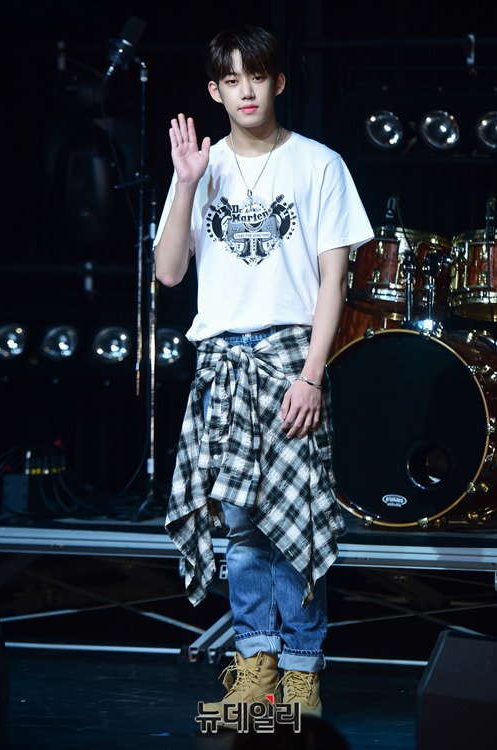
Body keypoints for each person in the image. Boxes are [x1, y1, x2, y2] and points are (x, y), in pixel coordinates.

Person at [153, 24, 373, 728]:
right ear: (215, 91)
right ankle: (255, 668)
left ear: (277, 81)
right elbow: (169, 272)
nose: (245, 90)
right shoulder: (203, 168)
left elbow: (335, 282)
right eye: (231, 80)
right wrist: (187, 185)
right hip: (222, 363)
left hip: (288, 359)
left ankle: (302, 673)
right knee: (243, 528)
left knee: (296, 521)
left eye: (256, 76)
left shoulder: (319, 164)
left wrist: (311, 375)